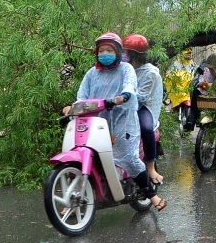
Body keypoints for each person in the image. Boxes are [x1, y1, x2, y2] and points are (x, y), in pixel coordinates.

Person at [65, 32, 166, 211]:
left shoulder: (126, 70)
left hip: (123, 117)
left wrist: (124, 96)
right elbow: (82, 95)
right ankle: (76, 198)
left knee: (128, 157)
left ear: (118, 52)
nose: (104, 53)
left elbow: (130, 85)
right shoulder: (91, 73)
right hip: (98, 119)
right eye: (101, 50)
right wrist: (73, 106)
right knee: (85, 151)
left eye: (109, 50)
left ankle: (152, 195)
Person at [124, 33, 165, 186]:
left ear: (134, 55)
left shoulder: (150, 73)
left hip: (143, 108)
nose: (123, 56)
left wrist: (122, 97)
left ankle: (150, 166)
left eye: (126, 53)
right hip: (123, 107)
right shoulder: (125, 69)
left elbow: (141, 97)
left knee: (146, 127)